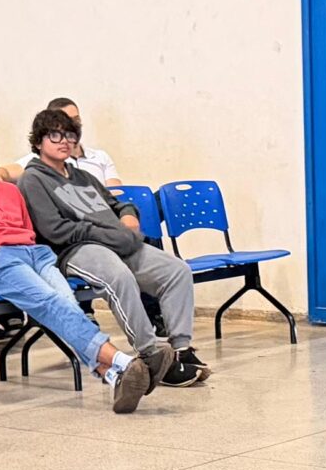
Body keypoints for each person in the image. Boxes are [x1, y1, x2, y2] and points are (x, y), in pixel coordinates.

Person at [0, 121, 151, 413]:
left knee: (66, 302)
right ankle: (123, 361)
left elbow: (27, 231)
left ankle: (111, 374)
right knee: (49, 302)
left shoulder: (8, 190)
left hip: (35, 255)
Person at [18, 106, 209, 389]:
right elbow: (55, 230)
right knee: (119, 277)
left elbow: (117, 204)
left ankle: (181, 349)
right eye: (54, 135)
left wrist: (128, 214)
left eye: (70, 135)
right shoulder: (33, 179)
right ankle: (152, 356)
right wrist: (107, 235)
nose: (64, 141)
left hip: (117, 242)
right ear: (38, 141)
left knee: (176, 270)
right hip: (77, 249)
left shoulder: (82, 176)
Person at [12, 96, 119, 183]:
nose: (73, 125)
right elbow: (5, 173)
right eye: (66, 121)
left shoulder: (100, 157)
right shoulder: (40, 161)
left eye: (76, 120)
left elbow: (117, 193)